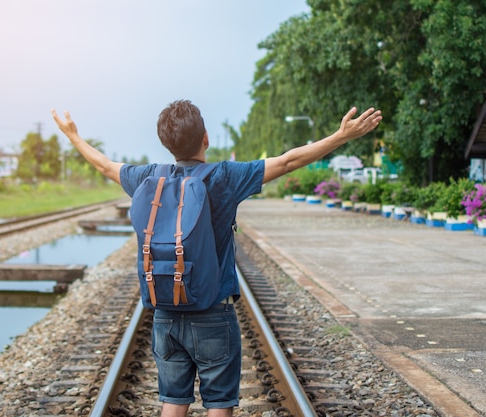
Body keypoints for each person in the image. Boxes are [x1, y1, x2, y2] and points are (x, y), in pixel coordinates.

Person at [52, 100, 381, 417]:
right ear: (205, 138)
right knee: (219, 403)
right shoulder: (225, 177)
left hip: (166, 314)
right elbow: (287, 162)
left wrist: (73, 135)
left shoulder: (147, 177)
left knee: (172, 401)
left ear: (166, 143)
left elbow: (103, 165)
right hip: (213, 314)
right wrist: (341, 136)